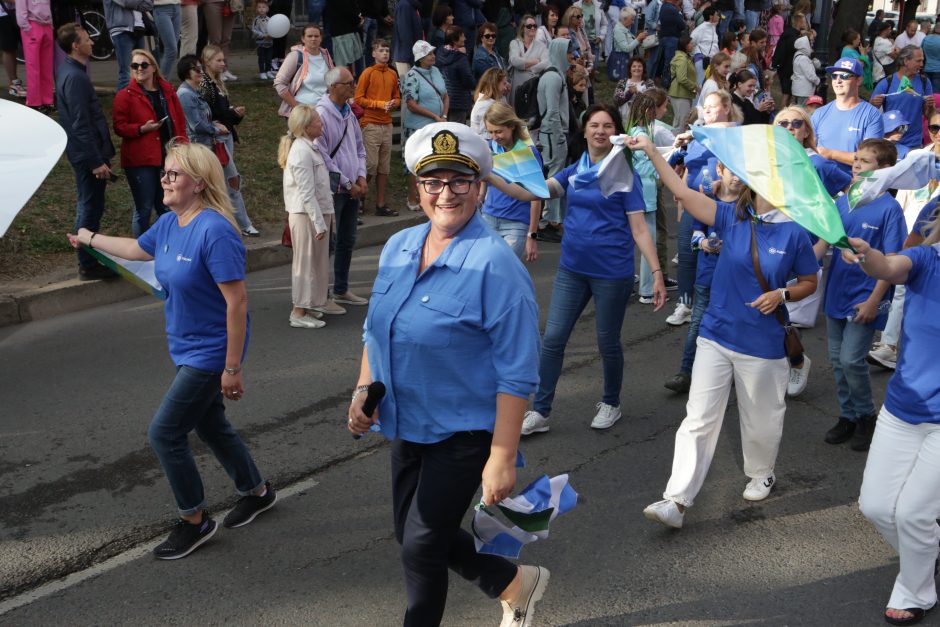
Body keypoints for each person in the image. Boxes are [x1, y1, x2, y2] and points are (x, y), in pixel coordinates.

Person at [347, 122, 548, 627]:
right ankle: (515, 584)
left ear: (480, 188)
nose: (446, 193)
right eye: (433, 182)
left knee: (420, 546)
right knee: (413, 534)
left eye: (460, 181)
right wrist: (362, 388)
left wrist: (501, 458)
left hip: (464, 432)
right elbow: (376, 328)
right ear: (418, 189)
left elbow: (517, 373)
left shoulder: (496, 266)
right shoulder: (398, 246)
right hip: (406, 423)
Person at [67, 142, 277, 560]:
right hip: (184, 346)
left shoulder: (214, 231)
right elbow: (134, 250)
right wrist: (88, 237)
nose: (163, 180)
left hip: (211, 352)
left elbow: (237, 302)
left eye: (172, 174)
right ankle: (257, 492)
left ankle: (194, 520)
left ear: (198, 183)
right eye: (164, 173)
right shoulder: (169, 223)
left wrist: (232, 367)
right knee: (211, 425)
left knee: (165, 432)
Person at [631, 130, 819, 529]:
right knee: (697, 418)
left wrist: (782, 294)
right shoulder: (732, 215)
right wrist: (651, 150)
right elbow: (681, 193)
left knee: (760, 418)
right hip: (716, 334)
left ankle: (760, 471)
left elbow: (809, 280)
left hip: (763, 343)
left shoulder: (794, 230)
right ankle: (676, 500)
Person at [487, 104, 667, 435]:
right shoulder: (573, 172)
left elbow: (640, 229)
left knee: (607, 342)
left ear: (616, 133)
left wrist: (656, 273)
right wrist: (488, 175)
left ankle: (610, 403)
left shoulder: (624, 175)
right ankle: (540, 411)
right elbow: (531, 192)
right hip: (572, 269)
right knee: (553, 340)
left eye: (608, 126)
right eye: (594, 125)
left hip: (612, 273)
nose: (600, 131)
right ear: (584, 130)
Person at [847, 217, 940, 627]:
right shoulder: (926, 260)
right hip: (904, 408)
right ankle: (926, 553)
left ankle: (916, 589)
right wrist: (867, 255)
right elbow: (887, 268)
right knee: (876, 506)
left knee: (913, 514)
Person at [814, 138, 906, 452]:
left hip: (867, 294)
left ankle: (867, 415)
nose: (855, 165)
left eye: (864, 162)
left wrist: (873, 300)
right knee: (838, 361)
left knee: (853, 359)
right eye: (855, 159)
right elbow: (826, 243)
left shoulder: (889, 208)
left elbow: (892, 262)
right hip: (837, 291)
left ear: (885, 170)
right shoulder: (843, 202)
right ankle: (848, 415)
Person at [663, 158, 737, 394]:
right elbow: (695, 235)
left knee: (733, 322)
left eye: (741, 173)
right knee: (698, 322)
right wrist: (704, 242)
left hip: (737, 279)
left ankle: (730, 373)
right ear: (720, 170)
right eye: (731, 172)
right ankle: (686, 371)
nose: (736, 178)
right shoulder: (707, 201)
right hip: (707, 274)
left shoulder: (751, 205)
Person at [55, 22, 118, 282]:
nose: (92, 42)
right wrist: (96, 162)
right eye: (87, 39)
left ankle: (89, 261)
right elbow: (81, 124)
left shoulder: (72, 72)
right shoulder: (76, 77)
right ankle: (87, 264)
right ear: (75, 45)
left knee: (90, 205)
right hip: (87, 158)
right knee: (89, 207)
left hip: (86, 155)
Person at [113, 48, 188, 237]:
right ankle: (140, 255)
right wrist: (141, 129)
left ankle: (165, 247)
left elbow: (179, 121)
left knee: (166, 206)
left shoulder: (168, 91)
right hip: (141, 161)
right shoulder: (125, 95)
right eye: (135, 65)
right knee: (143, 209)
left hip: (168, 157)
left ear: (154, 68)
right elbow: (119, 127)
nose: (139, 69)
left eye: (144, 65)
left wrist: (184, 148)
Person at [316, 67, 370, 309]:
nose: (353, 86)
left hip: (353, 187)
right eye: (349, 83)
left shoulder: (348, 112)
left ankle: (341, 289)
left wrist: (361, 176)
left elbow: (359, 147)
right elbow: (323, 155)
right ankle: (321, 294)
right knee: (328, 242)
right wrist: (348, 184)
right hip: (334, 189)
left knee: (347, 239)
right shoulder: (321, 114)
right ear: (334, 87)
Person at [279, 105, 336, 329]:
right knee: (305, 263)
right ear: (305, 127)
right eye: (318, 122)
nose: (322, 124)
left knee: (316, 263)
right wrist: (319, 223)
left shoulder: (309, 147)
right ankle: (298, 311)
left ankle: (310, 304)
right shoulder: (301, 151)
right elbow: (306, 192)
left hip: (315, 214)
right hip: (306, 216)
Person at [200, 44, 260, 236]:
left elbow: (223, 116)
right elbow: (211, 115)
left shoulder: (217, 82)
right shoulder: (206, 85)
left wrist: (236, 115)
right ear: (207, 62)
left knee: (227, 183)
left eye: (223, 60)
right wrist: (231, 113)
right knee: (231, 181)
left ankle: (232, 222)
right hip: (216, 141)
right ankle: (243, 224)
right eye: (218, 60)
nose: (222, 63)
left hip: (225, 138)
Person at [478, 102, 542, 261]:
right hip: (488, 217)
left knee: (502, 270)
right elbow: (486, 175)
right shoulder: (490, 147)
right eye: (490, 132)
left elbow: (536, 196)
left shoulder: (527, 152)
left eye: (499, 131)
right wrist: (480, 196)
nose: (494, 137)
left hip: (516, 223)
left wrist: (532, 235)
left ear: (512, 126)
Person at [812, 57, 885, 176]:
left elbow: (870, 158)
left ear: (859, 80)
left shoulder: (872, 115)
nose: (838, 80)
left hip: (852, 186)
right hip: (820, 185)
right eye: (834, 76)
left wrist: (831, 154)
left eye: (845, 76)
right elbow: (807, 150)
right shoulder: (819, 113)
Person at [626, 92, 666, 305]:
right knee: (647, 240)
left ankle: (639, 283)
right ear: (648, 111)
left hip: (641, 191)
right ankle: (647, 289)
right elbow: (644, 166)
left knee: (637, 238)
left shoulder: (633, 131)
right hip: (645, 192)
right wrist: (662, 168)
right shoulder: (641, 135)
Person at [355, 39, 401, 217]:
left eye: (387, 50)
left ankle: (380, 205)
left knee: (384, 168)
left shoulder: (392, 74)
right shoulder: (367, 73)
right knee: (370, 165)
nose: (385, 54)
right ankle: (358, 198)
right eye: (381, 50)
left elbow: (397, 96)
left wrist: (393, 104)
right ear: (373, 54)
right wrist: (380, 104)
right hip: (370, 123)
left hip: (387, 124)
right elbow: (358, 99)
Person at [402, 41, 449, 211]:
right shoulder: (412, 76)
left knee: (433, 163)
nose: (433, 56)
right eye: (428, 54)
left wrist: (443, 115)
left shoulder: (436, 71)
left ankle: (430, 196)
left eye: (432, 53)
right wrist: (435, 116)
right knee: (415, 162)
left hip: (437, 125)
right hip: (417, 127)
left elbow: (445, 95)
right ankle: (412, 197)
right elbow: (411, 104)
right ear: (420, 58)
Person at [536, 38, 571, 240]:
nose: (571, 56)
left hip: (552, 134)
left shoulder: (556, 75)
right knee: (552, 178)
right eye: (568, 52)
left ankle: (550, 220)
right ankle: (545, 222)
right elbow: (552, 111)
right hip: (552, 135)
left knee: (554, 177)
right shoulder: (553, 78)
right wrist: (558, 137)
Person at [871, 46, 934, 151]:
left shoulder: (925, 82)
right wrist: (874, 103)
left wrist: (930, 105)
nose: (922, 65)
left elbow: (928, 114)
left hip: (914, 143)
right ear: (906, 61)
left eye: (922, 61)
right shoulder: (887, 82)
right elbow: (871, 111)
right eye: (918, 61)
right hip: (890, 142)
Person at [274, 24, 335, 118]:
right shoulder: (295, 56)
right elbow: (279, 84)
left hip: (325, 111)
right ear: (303, 39)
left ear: (321, 38)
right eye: (309, 36)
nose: (313, 39)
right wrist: (297, 108)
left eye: (316, 36)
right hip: (303, 113)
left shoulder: (326, 56)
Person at [177, 54, 228, 150]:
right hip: (198, 148)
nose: (201, 71)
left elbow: (202, 118)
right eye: (196, 69)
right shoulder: (185, 95)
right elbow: (197, 126)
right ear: (186, 72)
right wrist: (217, 130)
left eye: (201, 68)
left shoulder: (195, 91)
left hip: (205, 144)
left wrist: (213, 124)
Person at [103, 0, 150, 90]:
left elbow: (149, 4)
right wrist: (137, 4)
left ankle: (137, 102)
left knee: (141, 71)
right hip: (121, 30)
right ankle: (121, 102)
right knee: (126, 73)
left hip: (138, 28)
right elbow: (127, 2)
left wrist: (134, 5)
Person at [15, 0, 52, 112]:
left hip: (47, 26)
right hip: (32, 26)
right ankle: (34, 102)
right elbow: (21, 9)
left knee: (47, 67)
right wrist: (27, 28)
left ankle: (47, 100)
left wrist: (51, 25)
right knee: (33, 67)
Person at [436, 26, 475, 125]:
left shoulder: (439, 53)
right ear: (454, 40)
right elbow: (468, 81)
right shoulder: (460, 58)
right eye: (462, 36)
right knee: (456, 133)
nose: (465, 39)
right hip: (458, 101)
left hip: (443, 99)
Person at [508, 14, 549, 101]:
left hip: (533, 87)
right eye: (529, 26)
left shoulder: (541, 46)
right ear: (523, 28)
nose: (533, 28)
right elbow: (515, 61)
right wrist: (535, 61)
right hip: (517, 86)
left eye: (534, 26)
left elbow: (546, 63)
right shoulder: (515, 43)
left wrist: (530, 68)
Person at [770, 11, 804, 108]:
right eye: (804, 21)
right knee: (787, 93)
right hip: (787, 69)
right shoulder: (791, 36)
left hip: (786, 68)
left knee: (788, 93)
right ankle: (782, 114)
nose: (805, 23)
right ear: (799, 22)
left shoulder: (791, 34)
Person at [607, 7, 646, 81]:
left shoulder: (624, 28)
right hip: (622, 60)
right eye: (632, 19)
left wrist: (639, 40)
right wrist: (638, 39)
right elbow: (626, 48)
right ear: (624, 19)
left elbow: (631, 43)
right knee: (624, 81)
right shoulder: (618, 30)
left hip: (626, 59)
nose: (633, 22)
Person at [201, 0, 237, 79]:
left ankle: (224, 69)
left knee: (226, 39)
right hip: (213, 3)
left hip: (230, 3)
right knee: (215, 40)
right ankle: (215, 71)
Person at [668, 34, 697, 132]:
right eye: (690, 43)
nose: (692, 45)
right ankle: (676, 145)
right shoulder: (682, 58)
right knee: (681, 124)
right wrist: (695, 87)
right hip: (680, 94)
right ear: (685, 45)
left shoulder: (684, 57)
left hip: (681, 93)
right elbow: (681, 78)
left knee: (679, 123)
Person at [470, 67, 509, 137]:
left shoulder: (493, 101)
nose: (505, 88)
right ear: (495, 84)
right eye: (504, 84)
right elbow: (485, 135)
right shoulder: (485, 105)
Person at [325, 0, 363, 73]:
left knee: (352, 62)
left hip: (349, 30)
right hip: (343, 32)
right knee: (345, 64)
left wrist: (358, 17)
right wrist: (358, 19)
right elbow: (345, 8)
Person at [0, 0, 25, 99]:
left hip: (24, 12)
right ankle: (14, 82)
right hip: (4, 14)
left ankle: (35, 81)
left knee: (29, 47)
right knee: (9, 48)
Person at [690, 7, 720, 86]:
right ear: (711, 16)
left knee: (708, 84)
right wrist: (696, 55)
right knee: (700, 84)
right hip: (701, 60)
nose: (718, 17)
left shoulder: (714, 28)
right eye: (716, 15)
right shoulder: (701, 28)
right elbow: (691, 42)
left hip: (711, 62)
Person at [392, 0, 422, 77]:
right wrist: (411, 57)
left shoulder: (412, 6)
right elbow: (404, 34)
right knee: (406, 87)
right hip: (405, 57)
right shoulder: (404, 5)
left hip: (411, 55)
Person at [152, 0, 181, 78]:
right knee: (171, 50)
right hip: (161, 8)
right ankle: (161, 84)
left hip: (177, 6)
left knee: (173, 51)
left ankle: (163, 84)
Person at [790, 35, 820, 105]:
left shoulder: (799, 55)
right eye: (810, 43)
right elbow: (810, 75)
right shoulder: (803, 58)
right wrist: (818, 82)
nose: (812, 44)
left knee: (800, 108)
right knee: (803, 110)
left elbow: (818, 66)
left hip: (800, 90)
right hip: (804, 90)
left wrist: (814, 58)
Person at [251, 0, 274, 79]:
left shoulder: (270, 20)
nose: (261, 9)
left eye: (263, 7)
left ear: (267, 9)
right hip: (260, 43)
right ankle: (262, 72)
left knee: (269, 58)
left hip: (269, 42)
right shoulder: (256, 20)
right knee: (261, 58)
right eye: (259, 7)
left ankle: (268, 71)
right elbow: (254, 30)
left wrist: (272, 34)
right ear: (256, 9)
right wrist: (263, 35)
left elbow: (274, 29)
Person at [924, 23, 940, 94]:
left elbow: (921, 51)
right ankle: (935, 105)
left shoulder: (926, 38)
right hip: (938, 69)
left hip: (927, 68)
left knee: (926, 90)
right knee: (936, 92)